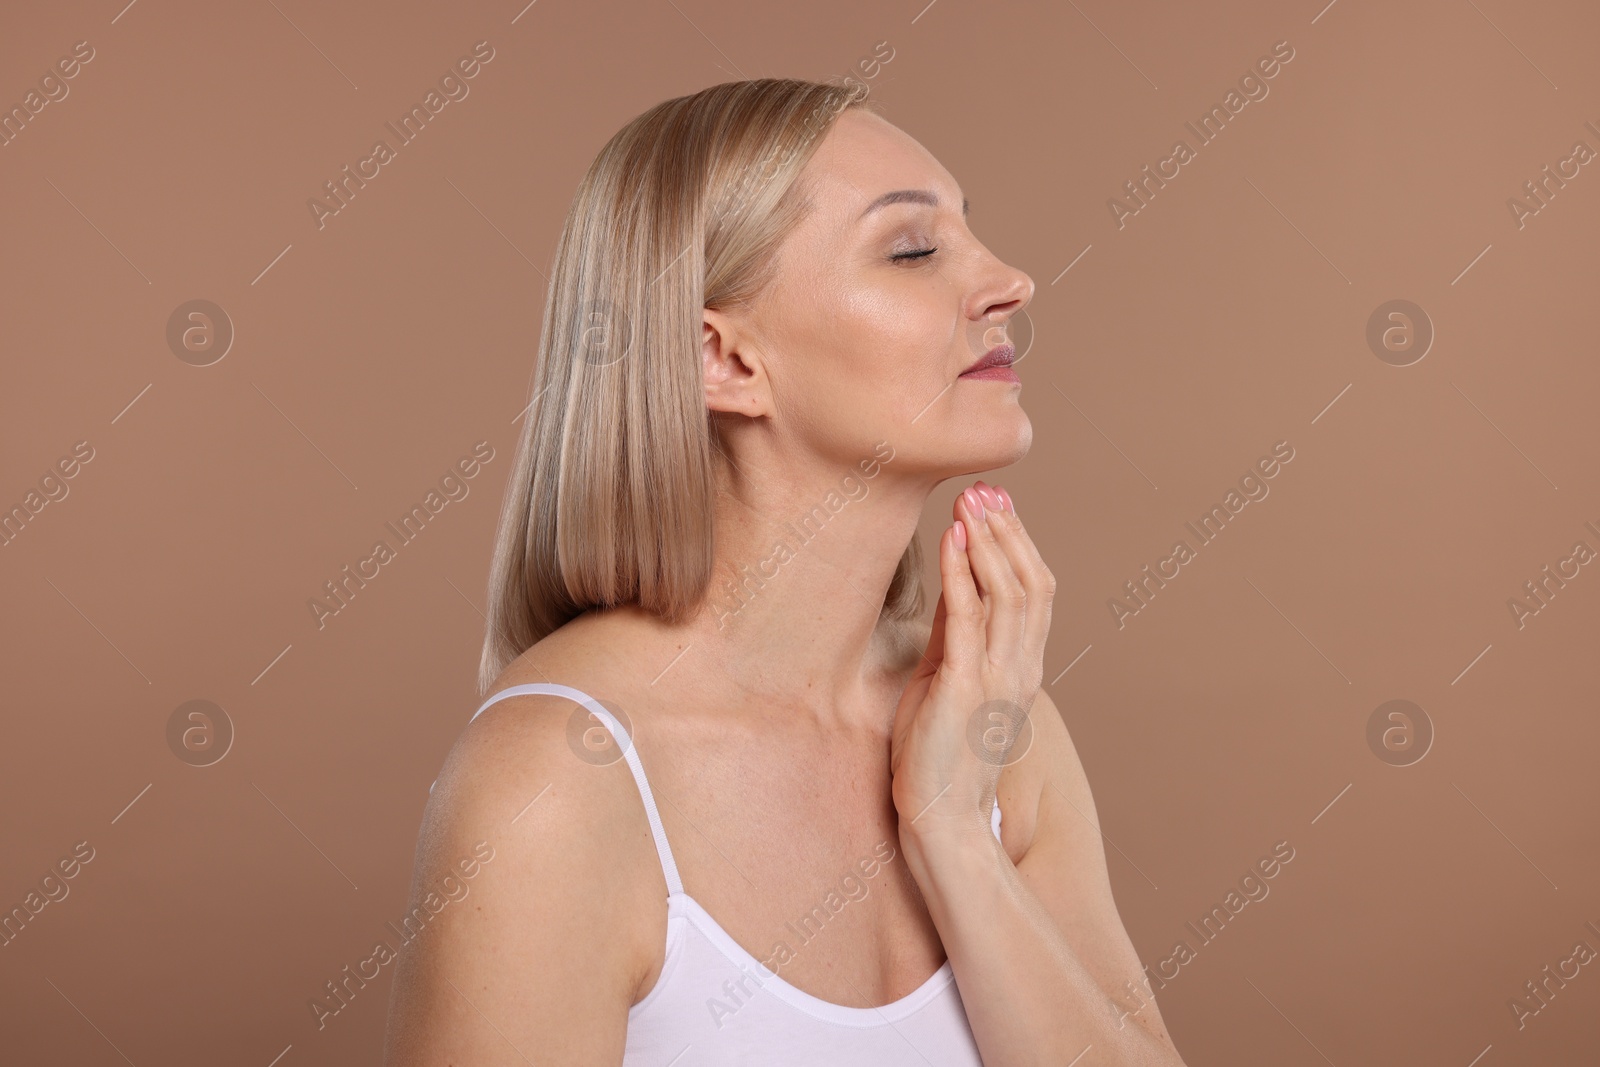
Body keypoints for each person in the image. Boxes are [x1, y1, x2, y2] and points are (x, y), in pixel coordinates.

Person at [384, 77, 1184, 1066]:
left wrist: (954, 835)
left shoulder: (996, 727)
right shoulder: (557, 780)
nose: (1009, 280)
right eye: (913, 250)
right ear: (723, 359)